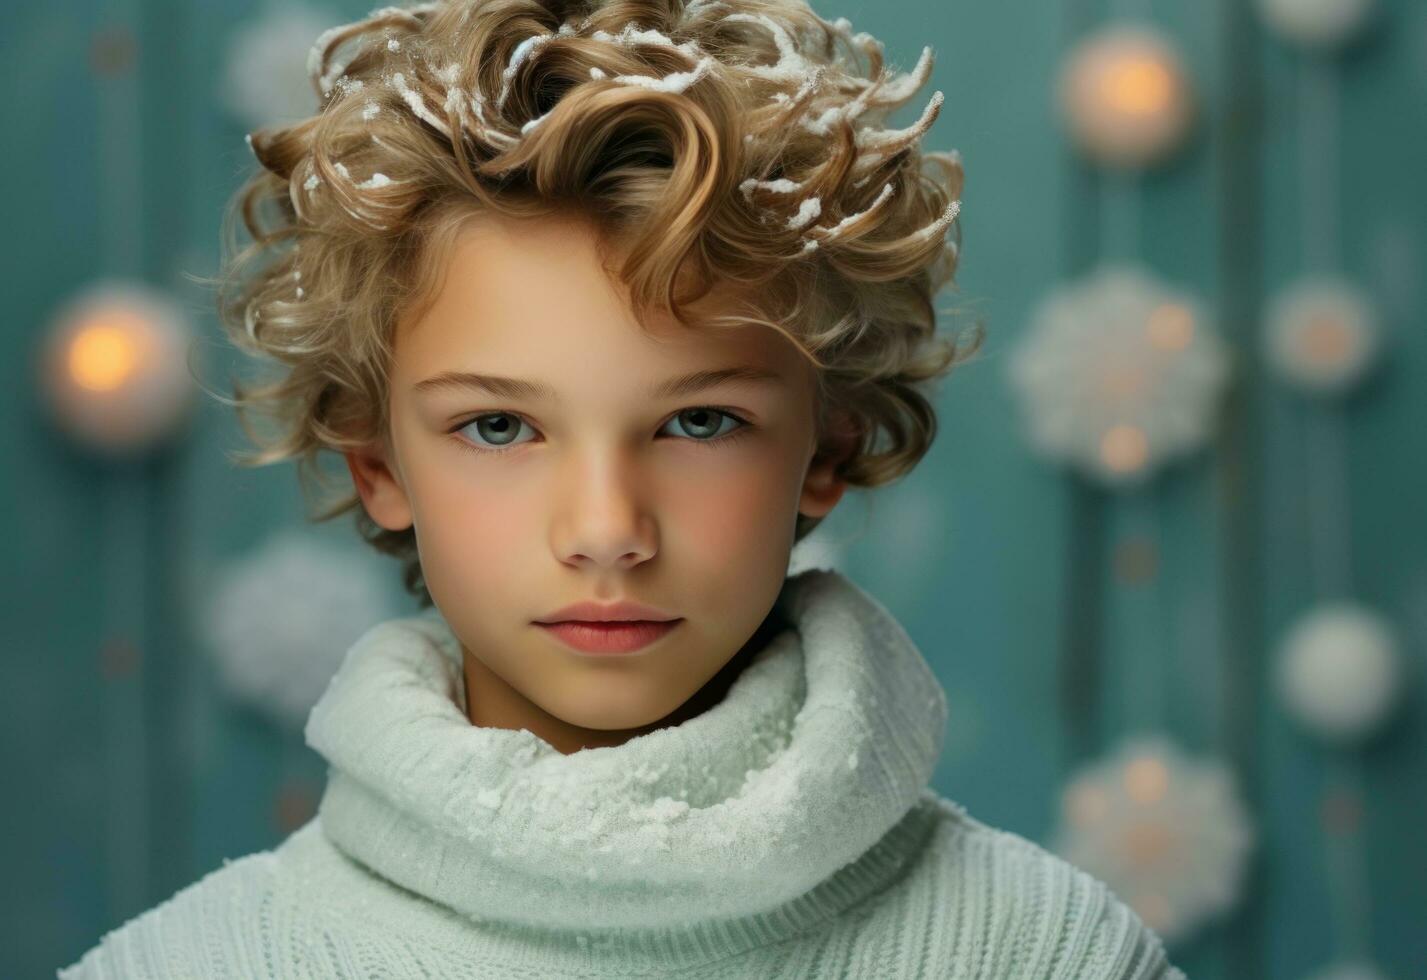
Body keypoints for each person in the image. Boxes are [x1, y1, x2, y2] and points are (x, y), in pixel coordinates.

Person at [61, 0, 1185, 975]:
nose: (605, 530)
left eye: (700, 421)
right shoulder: (189, 965)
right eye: (498, 425)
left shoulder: (1046, 954)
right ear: (376, 463)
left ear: (828, 446)